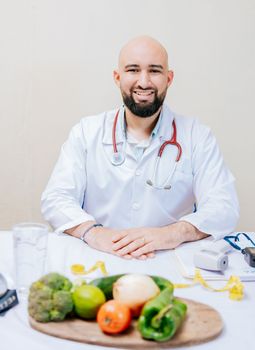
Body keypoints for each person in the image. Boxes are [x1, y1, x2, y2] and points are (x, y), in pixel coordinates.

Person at [41, 36, 239, 260]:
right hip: (97, 258)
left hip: (170, 260)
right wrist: (94, 232)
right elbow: (56, 198)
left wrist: (172, 234)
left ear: (169, 78)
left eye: (154, 71)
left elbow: (224, 206)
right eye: (133, 70)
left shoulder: (197, 136)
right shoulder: (86, 132)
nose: (144, 82)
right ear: (117, 77)